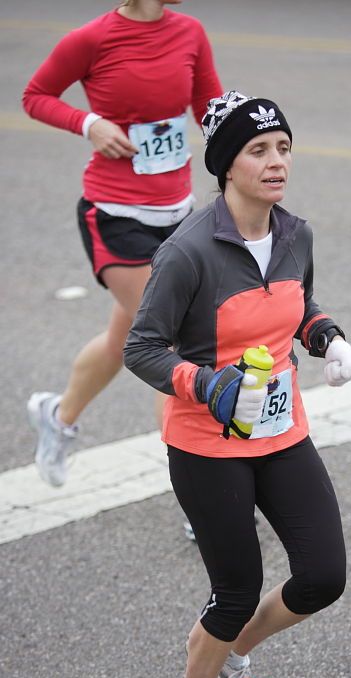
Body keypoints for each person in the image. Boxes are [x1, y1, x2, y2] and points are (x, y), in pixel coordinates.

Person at [124, 89, 351, 678]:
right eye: (258, 150)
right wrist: (206, 384)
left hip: (281, 430)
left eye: (283, 147)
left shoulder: (295, 234)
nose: (276, 161)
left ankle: (232, 656)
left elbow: (295, 303)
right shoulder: (188, 252)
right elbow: (143, 347)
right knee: (234, 589)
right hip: (206, 444)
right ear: (227, 164)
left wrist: (325, 335)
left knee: (322, 575)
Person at [22, 0, 223, 539]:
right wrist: (89, 123)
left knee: (124, 338)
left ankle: (58, 416)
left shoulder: (189, 31)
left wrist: (240, 139)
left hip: (178, 213)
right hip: (114, 215)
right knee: (176, 344)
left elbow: (209, 105)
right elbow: (35, 96)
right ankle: (204, 498)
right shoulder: (90, 39)